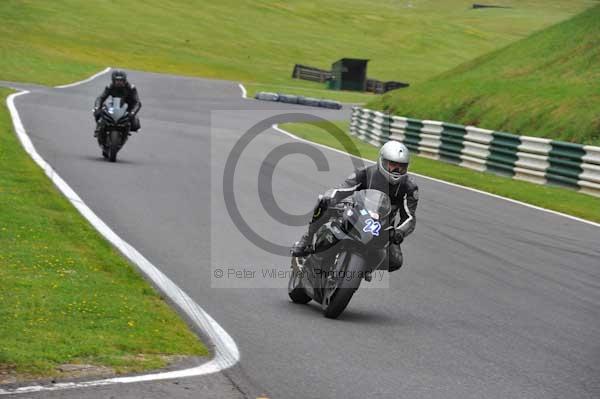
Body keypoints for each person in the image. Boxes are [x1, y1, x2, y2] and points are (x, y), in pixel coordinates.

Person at [291, 140, 418, 272]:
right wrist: (331, 197)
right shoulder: (365, 174)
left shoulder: (409, 187)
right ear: (383, 161)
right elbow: (342, 190)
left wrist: (400, 232)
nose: (397, 170)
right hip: (355, 214)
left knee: (395, 261)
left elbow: (409, 217)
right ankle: (306, 240)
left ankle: (361, 269)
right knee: (324, 200)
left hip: (382, 228)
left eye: (401, 167)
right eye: (393, 165)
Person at [93, 70, 142, 140]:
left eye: (121, 80)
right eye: (117, 80)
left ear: (124, 80)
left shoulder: (131, 88)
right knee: (98, 113)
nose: (119, 82)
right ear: (113, 80)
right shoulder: (110, 87)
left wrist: (133, 112)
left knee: (135, 125)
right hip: (114, 105)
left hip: (128, 107)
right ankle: (98, 128)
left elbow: (137, 102)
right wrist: (97, 108)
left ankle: (126, 131)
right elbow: (100, 98)